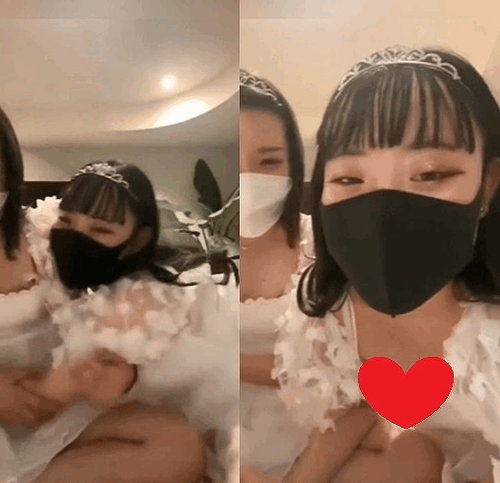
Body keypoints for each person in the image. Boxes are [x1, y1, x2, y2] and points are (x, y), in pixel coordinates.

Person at [272, 45, 500, 483]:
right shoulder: (326, 315)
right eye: (348, 178)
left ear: (487, 186)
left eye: (431, 174)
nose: (383, 210)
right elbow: (344, 419)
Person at [1, 160, 238, 483]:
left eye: (100, 230)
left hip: (50, 409)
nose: (77, 236)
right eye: (67, 222)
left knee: (178, 445)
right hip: (29, 404)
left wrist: (124, 375)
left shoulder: (44, 233)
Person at [239, 70, 313, 478]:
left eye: (269, 161)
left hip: (317, 428)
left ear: (293, 164)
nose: (250, 179)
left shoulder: (325, 245)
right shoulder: (192, 252)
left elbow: (350, 362)